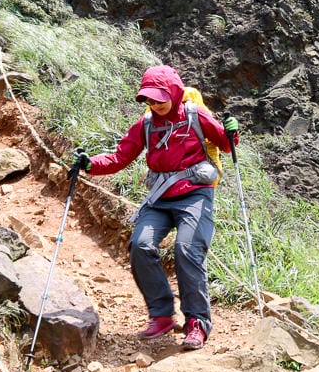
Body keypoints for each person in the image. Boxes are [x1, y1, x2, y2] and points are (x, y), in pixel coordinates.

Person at [75, 65, 239, 350]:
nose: (155, 104)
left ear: (174, 92)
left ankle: (197, 323)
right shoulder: (147, 123)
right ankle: (162, 316)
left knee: (187, 250)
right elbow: (120, 157)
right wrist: (91, 164)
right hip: (160, 198)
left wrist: (232, 132)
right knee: (140, 245)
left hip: (195, 195)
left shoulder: (195, 114)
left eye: (159, 98)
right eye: (149, 100)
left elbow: (225, 144)